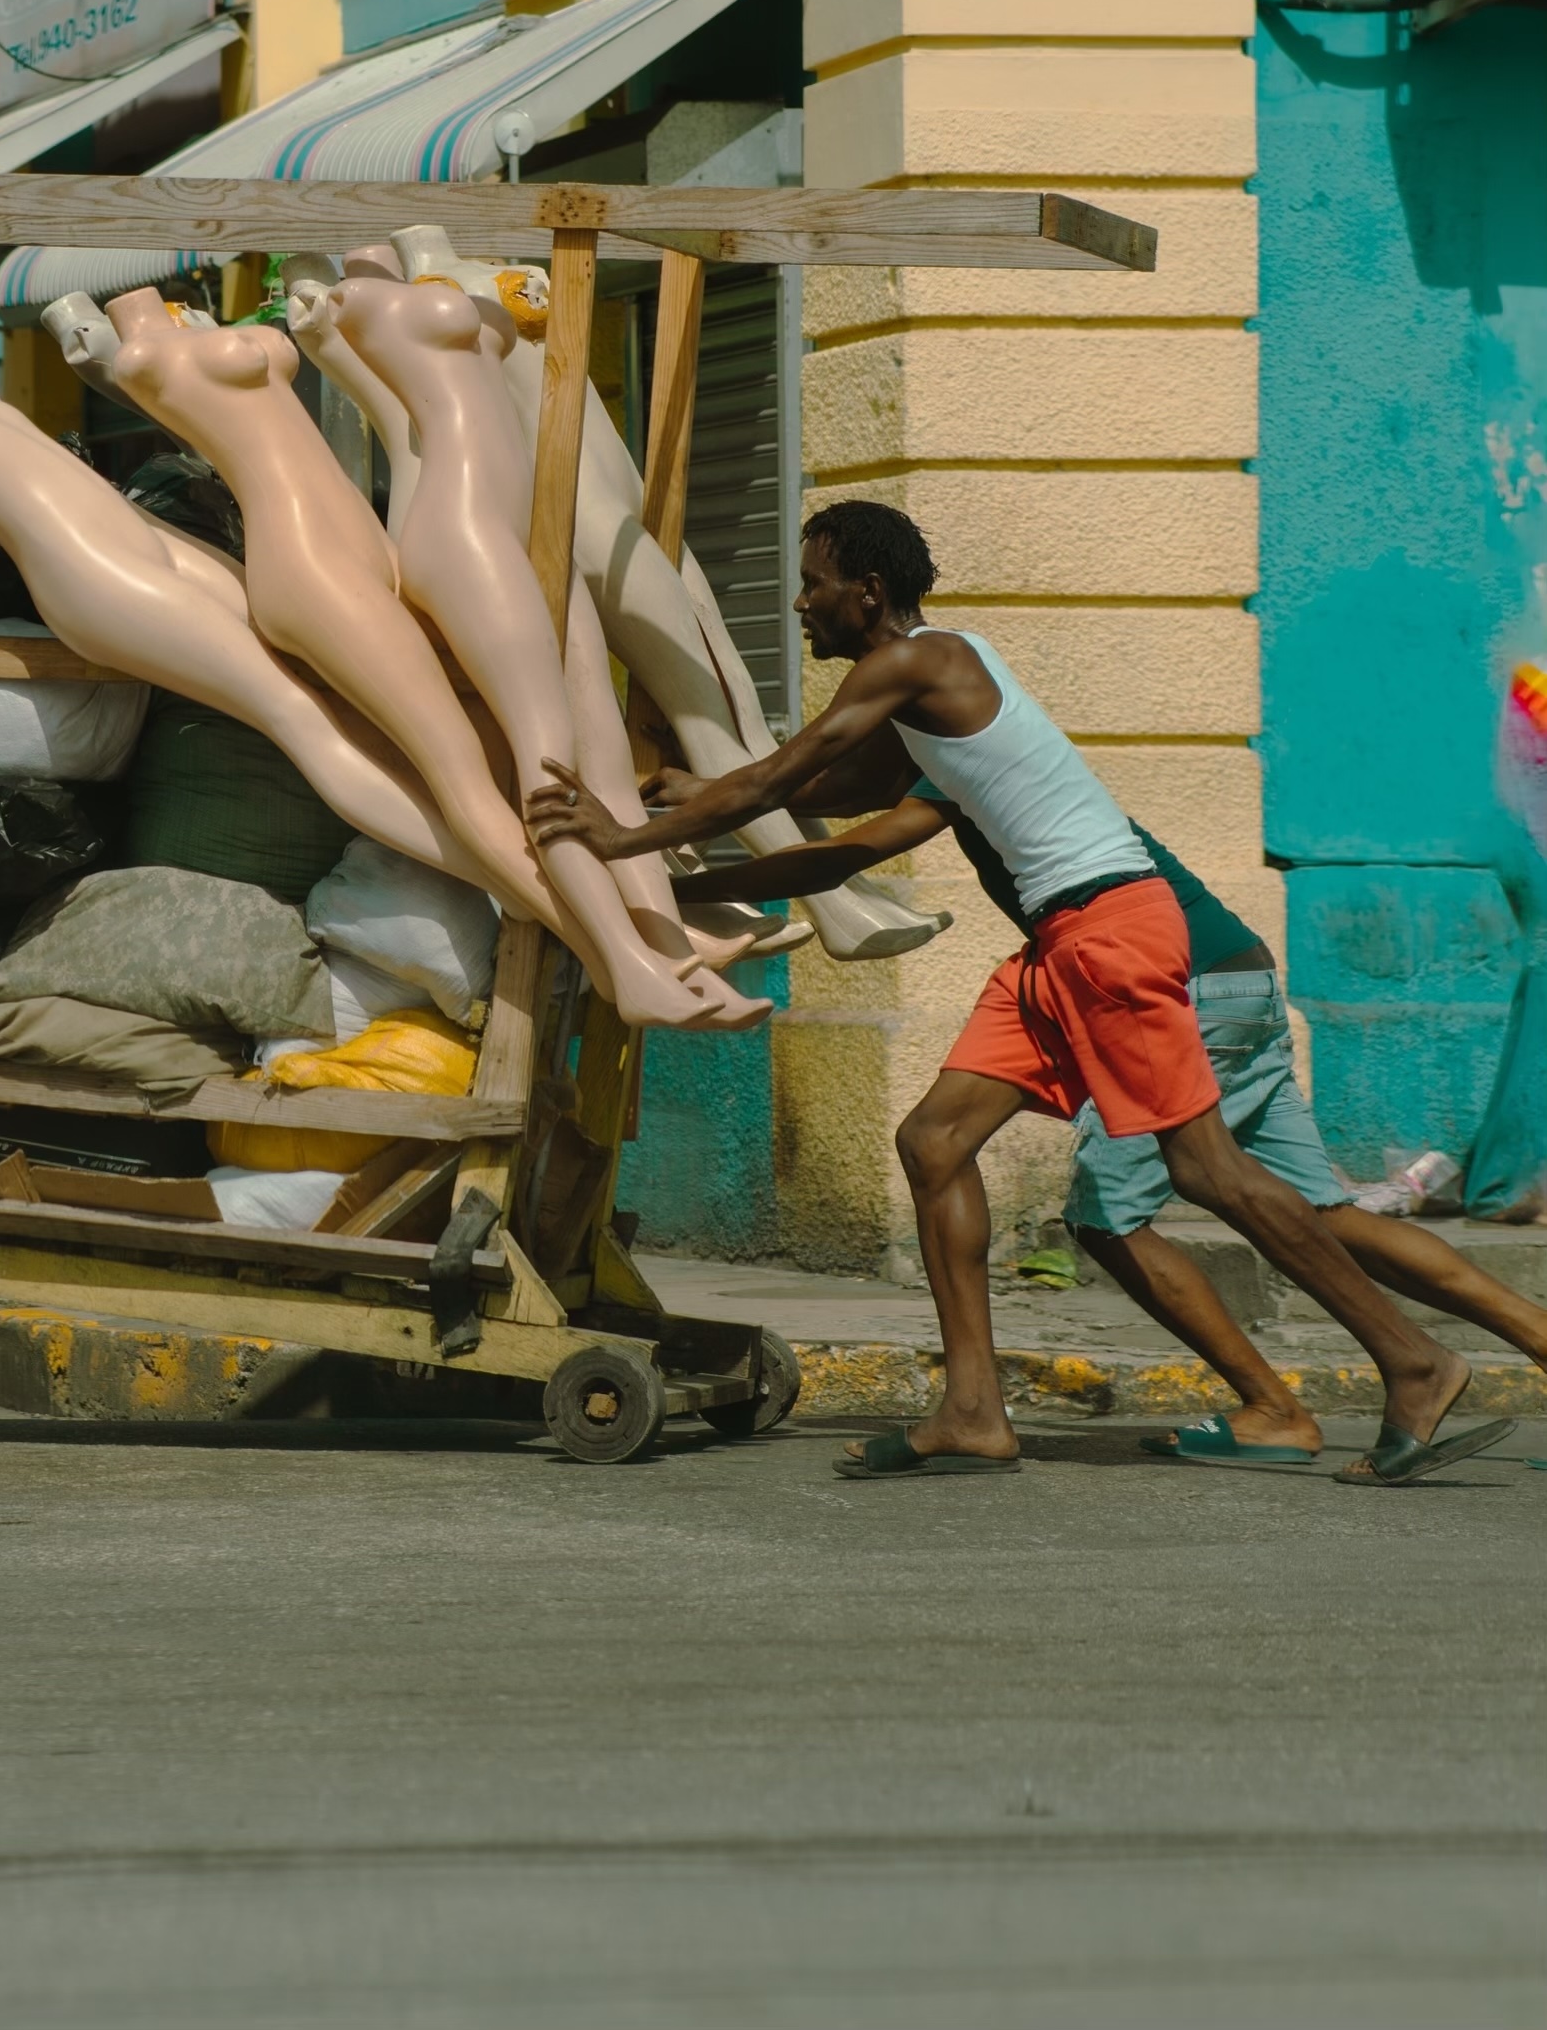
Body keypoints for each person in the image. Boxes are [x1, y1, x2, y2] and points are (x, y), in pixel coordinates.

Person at [526, 498, 1513, 1488]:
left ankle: (1415, 1362)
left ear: (865, 593)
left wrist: (619, 839)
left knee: (1210, 1174)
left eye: (813, 583)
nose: (798, 603)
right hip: (1058, 947)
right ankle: (971, 1412)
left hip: (1111, 932)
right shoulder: (933, 697)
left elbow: (783, 780)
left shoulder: (917, 662)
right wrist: (677, 832)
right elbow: (829, 810)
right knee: (934, 1143)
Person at [641, 783, 1547, 1478]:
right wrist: (717, 792)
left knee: (1111, 1212)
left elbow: (836, 822)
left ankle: (1276, 1406)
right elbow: (831, 789)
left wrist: (687, 838)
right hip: (1234, 972)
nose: (804, 610)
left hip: (1176, 985)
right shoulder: (968, 751)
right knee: (1325, 1212)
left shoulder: (959, 733)